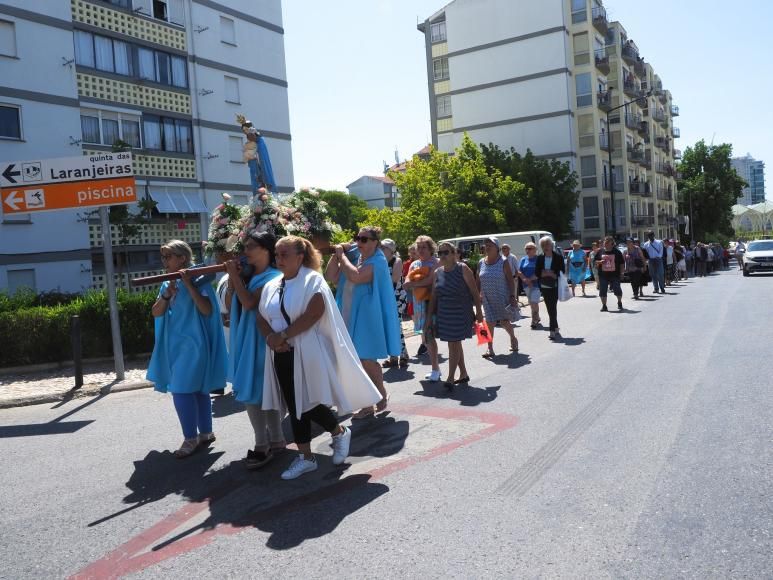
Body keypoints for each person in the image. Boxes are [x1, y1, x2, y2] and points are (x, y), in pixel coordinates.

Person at [258, 236, 382, 480]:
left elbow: (314, 313)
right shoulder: (272, 285)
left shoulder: (312, 280)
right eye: (277, 254)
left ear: (300, 256)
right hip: (280, 353)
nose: (278, 259)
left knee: (308, 402)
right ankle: (308, 456)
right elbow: (262, 317)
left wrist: (282, 335)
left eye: (284, 254)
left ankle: (337, 432)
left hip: (307, 350)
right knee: (296, 406)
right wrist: (271, 338)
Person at [147, 240, 227, 458]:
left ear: (182, 258)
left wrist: (189, 285)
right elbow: (156, 313)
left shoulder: (201, 281)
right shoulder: (166, 284)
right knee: (197, 389)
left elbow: (207, 310)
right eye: (163, 257)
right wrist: (167, 294)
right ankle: (206, 433)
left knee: (181, 390)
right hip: (175, 345)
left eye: (168, 256)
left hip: (196, 345)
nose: (164, 261)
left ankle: (190, 438)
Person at [224, 232, 285, 469]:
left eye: (251, 246)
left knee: (257, 390)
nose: (245, 251)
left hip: (262, 339)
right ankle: (277, 439)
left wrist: (234, 276)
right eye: (245, 246)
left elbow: (250, 303)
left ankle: (263, 443)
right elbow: (232, 305)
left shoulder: (273, 276)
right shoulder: (249, 275)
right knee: (259, 391)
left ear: (266, 250)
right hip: (246, 337)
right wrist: (233, 281)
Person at [325, 226, 401, 417]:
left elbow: (357, 277)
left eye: (364, 239)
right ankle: (368, 404)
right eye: (357, 238)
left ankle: (380, 394)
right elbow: (330, 276)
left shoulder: (378, 261)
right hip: (349, 314)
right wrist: (336, 255)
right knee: (356, 359)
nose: (359, 242)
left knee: (366, 358)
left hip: (367, 317)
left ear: (375, 242)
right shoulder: (354, 257)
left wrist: (342, 256)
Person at [426, 242, 483, 388]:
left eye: (446, 252)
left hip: (461, 312)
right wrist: (428, 319)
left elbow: (475, 293)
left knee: (454, 343)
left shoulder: (463, 269)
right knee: (455, 343)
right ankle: (463, 373)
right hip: (444, 314)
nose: (443, 256)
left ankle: (450, 377)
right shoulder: (437, 273)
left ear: (453, 254)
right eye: (440, 253)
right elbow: (434, 297)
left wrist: (479, 313)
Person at [404, 236, 441, 381]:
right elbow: (407, 279)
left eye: (424, 247)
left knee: (430, 336)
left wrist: (413, 284)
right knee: (426, 337)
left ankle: (436, 369)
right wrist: (410, 282)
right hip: (419, 304)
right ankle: (436, 369)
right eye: (418, 247)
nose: (420, 250)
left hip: (433, 304)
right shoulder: (415, 264)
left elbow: (430, 280)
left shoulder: (436, 262)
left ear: (430, 248)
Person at [477, 236, 519, 358]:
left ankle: (513, 337)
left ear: (497, 248)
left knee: (504, 322)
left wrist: (512, 295)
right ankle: (489, 348)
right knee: (487, 323)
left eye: (491, 245)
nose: (488, 247)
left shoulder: (503, 261)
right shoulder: (481, 262)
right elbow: (478, 280)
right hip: (486, 298)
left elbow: (511, 281)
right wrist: (477, 294)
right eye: (486, 245)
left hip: (501, 296)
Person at [380, 239, 409, 369]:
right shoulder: (380, 261)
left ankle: (402, 355)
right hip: (386, 297)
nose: (381, 250)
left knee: (396, 325)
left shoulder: (396, 261)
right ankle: (393, 356)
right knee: (388, 326)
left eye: (383, 248)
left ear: (391, 250)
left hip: (396, 297)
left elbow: (394, 280)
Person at [535, 236, 564, 340]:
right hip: (544, 286)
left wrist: (554, 274)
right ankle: (555, 327)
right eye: (543, 245)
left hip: (555, 286)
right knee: (550, 308)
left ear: (552, 245)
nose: (546, 247)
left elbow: (562, 271)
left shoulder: (558, 257)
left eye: (547, 244)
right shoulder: (540, 257)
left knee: (553, 307)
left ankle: (552, 330)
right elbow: (537, 272)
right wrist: (542, 273)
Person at [595, 235, 625, 311]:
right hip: (603, 275)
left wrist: (622, 273)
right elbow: (595, 262)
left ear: (612, 243)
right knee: (602, 290)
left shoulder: (617, 252)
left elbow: (622, 263)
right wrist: (600, 262)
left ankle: (619, 302)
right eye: (605, 241)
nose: (605, 243)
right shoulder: (600, 251)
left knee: (617, 289)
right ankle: (604, 306)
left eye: (608, 242)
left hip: (615, 275)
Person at [517, 242, 541, 329]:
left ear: (535, 250)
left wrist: (530, 280)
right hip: (526, 284)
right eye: (526, 248)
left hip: (536, 285)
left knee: (534, 302)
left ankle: (534, 321)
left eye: (530, 248)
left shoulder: (538, 259)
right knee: (531, 302)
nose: (527, 250)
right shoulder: (523, 259)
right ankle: (537, 317)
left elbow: (540, 272)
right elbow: (519, 271)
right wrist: (525, 279)